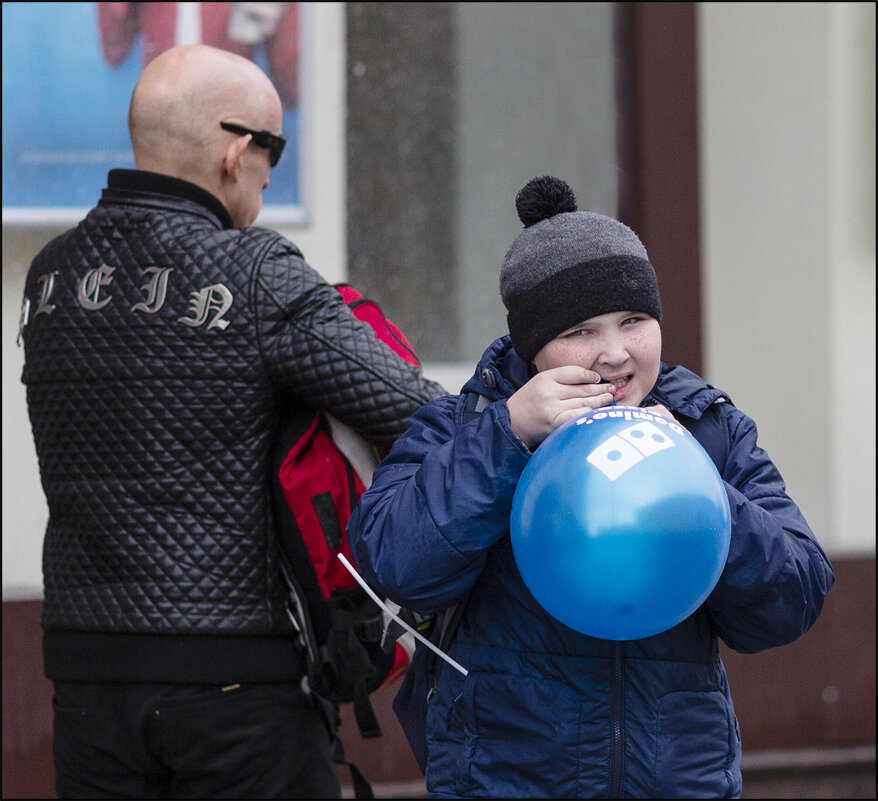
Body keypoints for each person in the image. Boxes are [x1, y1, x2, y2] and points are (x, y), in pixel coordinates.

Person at [19, 44, 444, 800]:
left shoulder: (51, 274)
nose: (272, 174)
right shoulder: (254, 272)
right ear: (235, 152)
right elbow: (409, 408)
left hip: (85, 675)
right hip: (237, 685)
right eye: (270, 149)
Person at [347, 175, 835, 799]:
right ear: (532, 346)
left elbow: (794, 598)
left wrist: (697, 481)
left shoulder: (707, 429)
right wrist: (508, 435)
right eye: (579, 331)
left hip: (678, 783)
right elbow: (393, 560)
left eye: (634, 320)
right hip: (506, 781)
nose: (613, 353)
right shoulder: (463, 426)